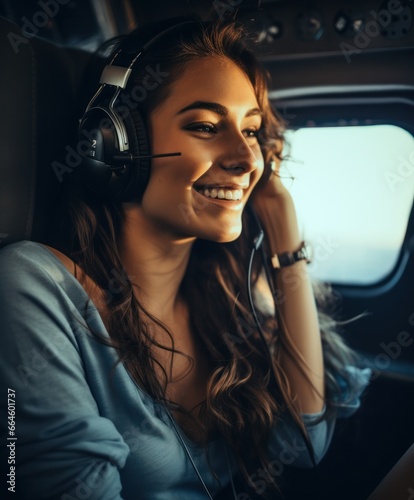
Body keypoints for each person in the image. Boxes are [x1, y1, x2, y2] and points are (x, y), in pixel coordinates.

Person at [0, 18, 371, 499]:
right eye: (205, 126)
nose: (246, 157)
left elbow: (304, 444)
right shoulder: (35, 287)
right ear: (114, 144)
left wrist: (284, 233)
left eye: (252, 131)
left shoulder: (223, 300)